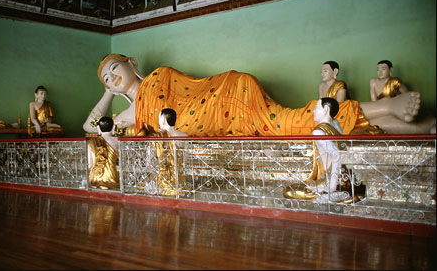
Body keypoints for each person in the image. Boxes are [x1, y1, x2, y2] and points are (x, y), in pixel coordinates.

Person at [83, 54, 429, 137]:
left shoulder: (158, 76)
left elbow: (194, 87)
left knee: (290, 123)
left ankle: (385, 105)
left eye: (115, 68)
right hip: (222, 109)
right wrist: (107, 95)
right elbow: (90, 126)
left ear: (131, 63)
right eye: (106, 78)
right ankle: (394, 116)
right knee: (294, 121)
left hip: (226, 97)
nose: (112, 77)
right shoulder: (129, 113)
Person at [88, 116, 120, 190]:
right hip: (112, 179)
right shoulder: (118, 141)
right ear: (113, 128)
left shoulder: (91, 142)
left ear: (98, 128)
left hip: (94, 179)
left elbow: (89, 164)